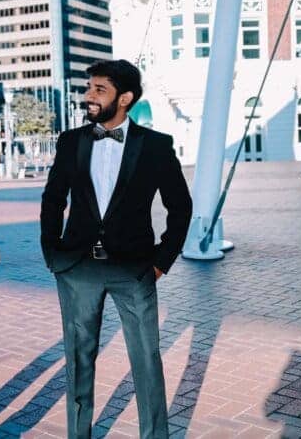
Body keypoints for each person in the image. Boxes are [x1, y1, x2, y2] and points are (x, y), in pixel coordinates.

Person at [40, 59, 192, 439]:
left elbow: (181, 205)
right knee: (79, 359)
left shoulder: (155, 146)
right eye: (89, 88)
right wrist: (53, 255)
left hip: (134, 271)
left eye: (99, 90)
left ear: (124, 98)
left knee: (146, 359)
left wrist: (162, 261)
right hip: (77, 268)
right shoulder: (71, 142)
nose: (88, 96)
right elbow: (53, 199)